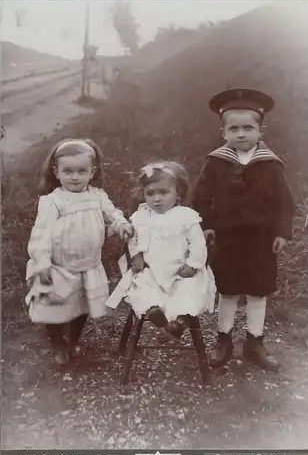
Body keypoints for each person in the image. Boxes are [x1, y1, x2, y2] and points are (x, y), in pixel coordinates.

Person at [191, 88, 295, 371]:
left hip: (261, 238)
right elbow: (200, 197)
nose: (241, 134)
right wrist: (207, 226)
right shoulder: (216, 161)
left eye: (248, 128)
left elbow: (285, 202)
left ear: (261, 131)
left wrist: (282, 232)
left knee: (258, 290)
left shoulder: (271, 164)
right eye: (233, 128)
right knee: (228, 289)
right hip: (228, 237)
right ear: (223, 132)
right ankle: (223, 339)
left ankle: (254, 342)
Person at [25, 138, 133, 365]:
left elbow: (112, 215)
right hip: (58, 266)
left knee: (82, 306)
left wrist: (121, 225)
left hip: (88, 265)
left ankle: (73, 339)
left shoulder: (97, 196)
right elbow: (41, 234)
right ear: (56, 171)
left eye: (81, 171)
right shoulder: (52, 201)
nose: (75, 177)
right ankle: (58, 344)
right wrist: (42, 262)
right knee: (53, 308)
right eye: (68, 171)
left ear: (92, 172)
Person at [106, 161, 216, 337]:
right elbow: (134, 240)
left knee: (190, 289)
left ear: (178, 195)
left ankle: (181, 320)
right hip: (152, 270)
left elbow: (198, 244)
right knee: (141, 285)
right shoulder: (141, 216)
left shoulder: (186, 216)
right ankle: (154, 311)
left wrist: (193, 264)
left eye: (163, 193)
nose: (156, 199)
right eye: (150, 193)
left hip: (181, 271)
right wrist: (137, 256)